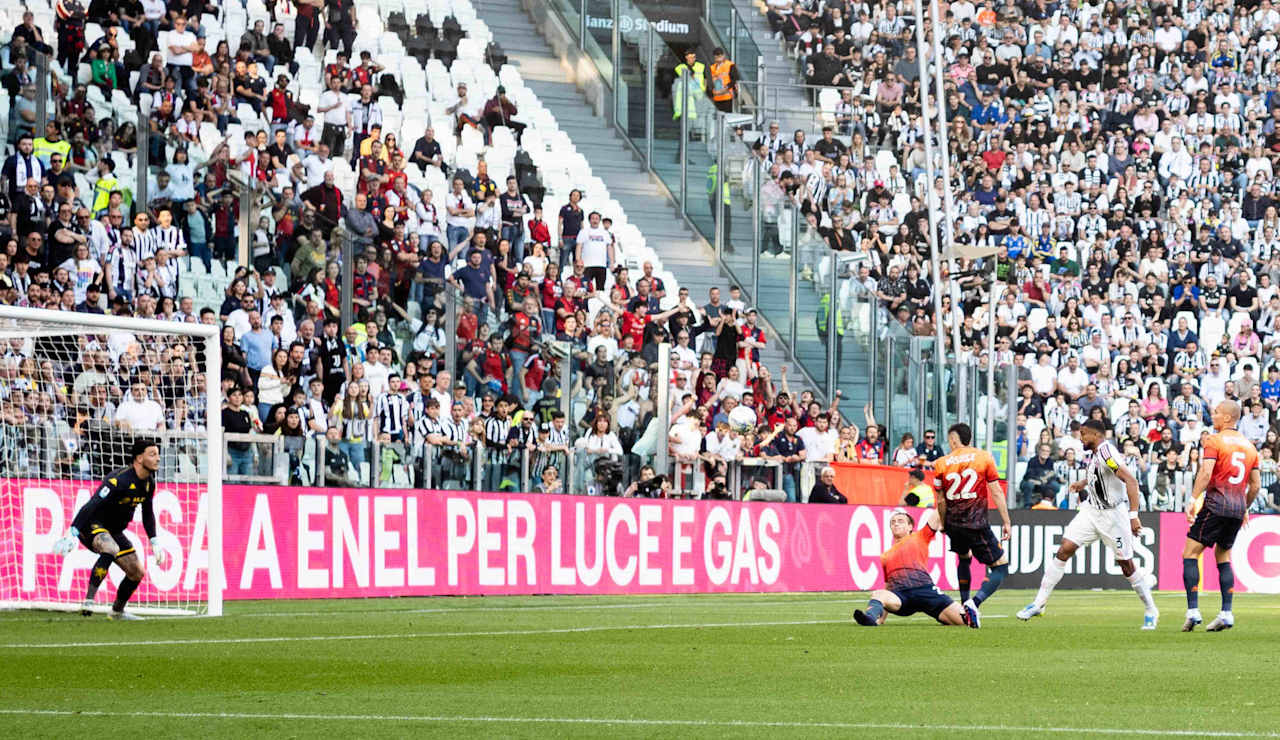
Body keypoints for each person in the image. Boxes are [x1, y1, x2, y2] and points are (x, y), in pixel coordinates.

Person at [1017, 419, 1159, 629]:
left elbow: (1131, 480)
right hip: (1092, 511)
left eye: (1083, 434)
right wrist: (1083, 483)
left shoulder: (1106, 453)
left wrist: (1133, 515)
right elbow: (1100, 475)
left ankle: (1151, 609)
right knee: (1065, 549)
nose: (1081, 438)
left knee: (1126, 565)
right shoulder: (1097, 454)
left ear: (1095, 435)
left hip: (1113, 516)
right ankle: (1039, 603)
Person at [52, 439, 168, 620]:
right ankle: (88, 601)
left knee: (137, 572)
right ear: (139, 458)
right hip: (92, 525)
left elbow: (147, 513)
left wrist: (154, 541)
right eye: (152, 454)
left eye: (158, 454)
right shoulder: (118, 479)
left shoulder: (149, 483)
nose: (158, 459)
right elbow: (93, 503)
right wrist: (72, 532)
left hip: (114, 531)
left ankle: (117, 612)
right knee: (111, 548)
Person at [1180, 401, 1260, 632]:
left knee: (1190, 553)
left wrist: (1194, 499)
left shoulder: (1214, 441)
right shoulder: (1249, 446)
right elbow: (1254, 486)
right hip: (1236, 509)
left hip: (1215, 505)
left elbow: (1206, 472)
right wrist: (1244, 507)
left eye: (1215, 412)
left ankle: (1193, 611)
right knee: (1223, 556)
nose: (1212, 416)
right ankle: (1226, 613)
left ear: (1226, 418)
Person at [933, 422, 1010, 628]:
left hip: (953, 523)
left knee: (964, 558)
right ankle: (973, 603)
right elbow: (996, 491)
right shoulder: (983, 457)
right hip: (976, 522)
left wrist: (943, 522)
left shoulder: (940, 463)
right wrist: (1006, 521)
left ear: (954, 439)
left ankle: (963, 604)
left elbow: (940, 500)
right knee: (1001, 568)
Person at [852, 508, 971, 627]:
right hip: (902, 598)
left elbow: (937, 514)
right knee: (878, 594)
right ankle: (870, 619)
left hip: (926, 591)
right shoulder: (885, 556)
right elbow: (888, 587)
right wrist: (882, 619)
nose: (896, 523)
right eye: (893, 522)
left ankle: (945, 618)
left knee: (966, 622)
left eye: (900, 521)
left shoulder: (920, 537)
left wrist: (946, 495)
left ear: (910, 527)